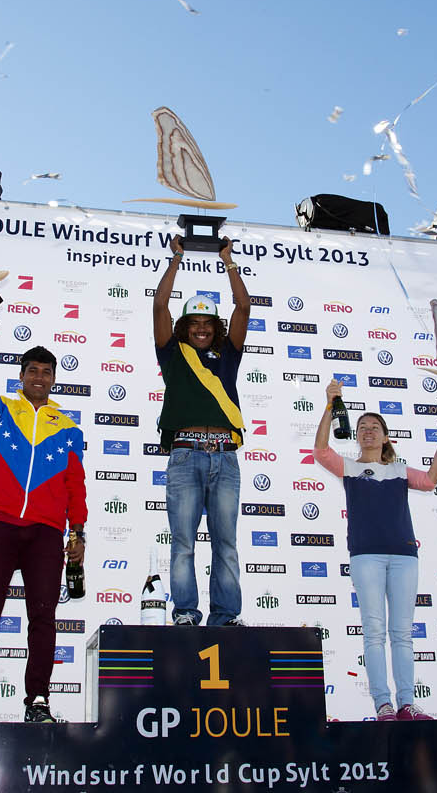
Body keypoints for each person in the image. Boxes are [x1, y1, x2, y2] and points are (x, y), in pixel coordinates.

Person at [314, 379, 437, 720]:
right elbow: (321, 451)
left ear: (386, 437)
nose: (368, 431)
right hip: (366, 556)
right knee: (374, 632)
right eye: (362, 427)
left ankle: (406, 704)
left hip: (404, 557)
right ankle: (383, 705)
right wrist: (330, 405)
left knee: (402, 634)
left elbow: (430, 481)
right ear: (356, 436)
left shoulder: (400, 471)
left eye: (375, 427)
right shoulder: (349, 467)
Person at [0, 322, 86, 723]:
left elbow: (75, 486)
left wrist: (77, 532)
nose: (39, 378)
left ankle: (38, 701)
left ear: (54, 379)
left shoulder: (69, 429)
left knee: (43, 619)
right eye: (33, 371)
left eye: (47, 372)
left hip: (46, 533)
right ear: (21, 376)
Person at [152, 235, 250, 626]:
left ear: (216, 327)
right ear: (183, 327)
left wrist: (229, 261)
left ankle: (225, 616)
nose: (201, 329)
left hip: (225, 456)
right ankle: (185, 613)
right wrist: (176, 258)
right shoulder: (171, 352)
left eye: (207, 323)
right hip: (185, 454)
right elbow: (159, 305)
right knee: (183, 544)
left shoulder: (228, 354)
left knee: (226, 545)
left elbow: (244, 307)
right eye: (193, 323)